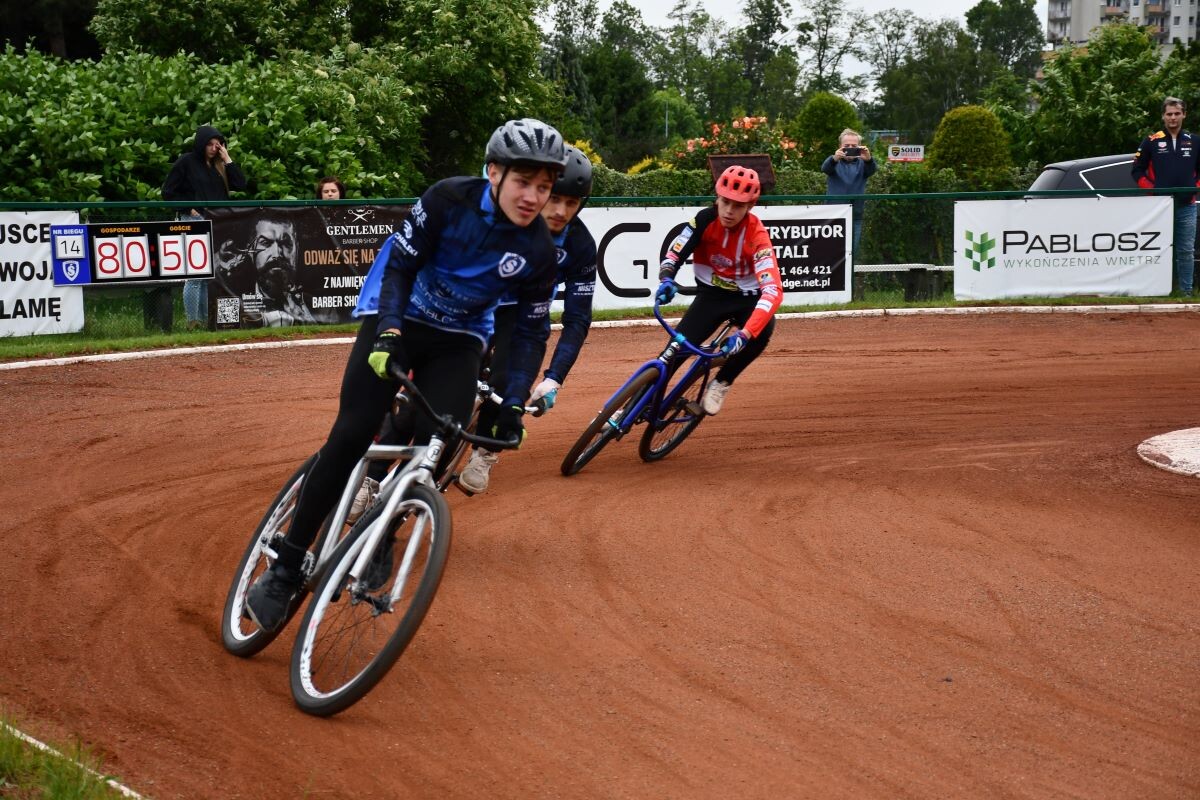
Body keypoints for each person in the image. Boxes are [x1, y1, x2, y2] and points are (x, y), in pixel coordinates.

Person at [244, 118, 566, 633]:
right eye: (524, 182)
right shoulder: (447, 200)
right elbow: (399, 267)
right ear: (494, 173)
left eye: (544, 187)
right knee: (352, 434)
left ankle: (385, 528)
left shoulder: (539, 252)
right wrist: (390, 330)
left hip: (460, 337)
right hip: (399, 314)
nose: (533, 197)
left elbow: (528, 335)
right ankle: (286, 564)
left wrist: (510, 401)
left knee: (442, 438)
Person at [455, 145, 597, 494]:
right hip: (477, 300)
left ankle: (485, 451)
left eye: (573, 203)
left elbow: (577, 318)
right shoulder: (503, 216)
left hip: (523, 314)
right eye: (556, 199)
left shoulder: (580, 245)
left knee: (507, 382)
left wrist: (554, 379)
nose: (562, 211)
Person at [655, 165, 783, 416]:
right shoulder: (703, 219)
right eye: (725, 202)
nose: (729, 210)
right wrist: (667, 278)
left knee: (763, 331)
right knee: (673, 353)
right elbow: (675, 252)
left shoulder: (758, 236)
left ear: (750, 207)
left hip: (748, 299)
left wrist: (745, 335)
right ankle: (632, 405)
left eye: (738, 205)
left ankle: (722, 381)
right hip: (711, 296)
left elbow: (772, 291)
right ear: (717, 198)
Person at [162, 124, 248, 330]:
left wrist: (227, 158)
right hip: (194, 221)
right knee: (195, 274)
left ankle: (208, 321)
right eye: (209, 144)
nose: (213, 148)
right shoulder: (186, 162)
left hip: (218, 222)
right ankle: (194, 322)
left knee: (211, 275)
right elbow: (168, 192)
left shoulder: (219, 166)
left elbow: (241, 184)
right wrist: (189, 208)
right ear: (201, 144)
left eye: (217, 144)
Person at [214, 214, 339, 326]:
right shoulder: (232, 297)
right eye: (266, 243)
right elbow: (228, 338)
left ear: (297, 249)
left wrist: (306, 320)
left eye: (286, 243)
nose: (277, 253)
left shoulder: (322, 307)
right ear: (250, 251)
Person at [1133, 97, 1200, 296]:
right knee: (1156, 250)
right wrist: (1153, 190)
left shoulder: (1195, 141)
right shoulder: (1151, 141)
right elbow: (1137, 170)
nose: (1173, 118)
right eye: (1169, 114)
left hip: (1187, 205)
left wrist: (1193, 188)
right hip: (1160, 206)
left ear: (1184, 115)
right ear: (1163, 116)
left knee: (1186, 250)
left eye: (1177, 113)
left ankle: (1186, 292)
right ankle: (1155, 291)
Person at [821, 128, 876, 257]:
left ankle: (849, 276)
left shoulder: (864, 163)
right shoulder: (834, 162)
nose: (850, 148)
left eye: (854, 146)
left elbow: (872, 170)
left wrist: (869, 159)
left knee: (852, 253)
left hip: (855, 215)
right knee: (831, 252)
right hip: (833, 216)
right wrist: (835, 158)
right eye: (846, 146)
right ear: (840, 147)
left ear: (860, 147)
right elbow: (825, 168)